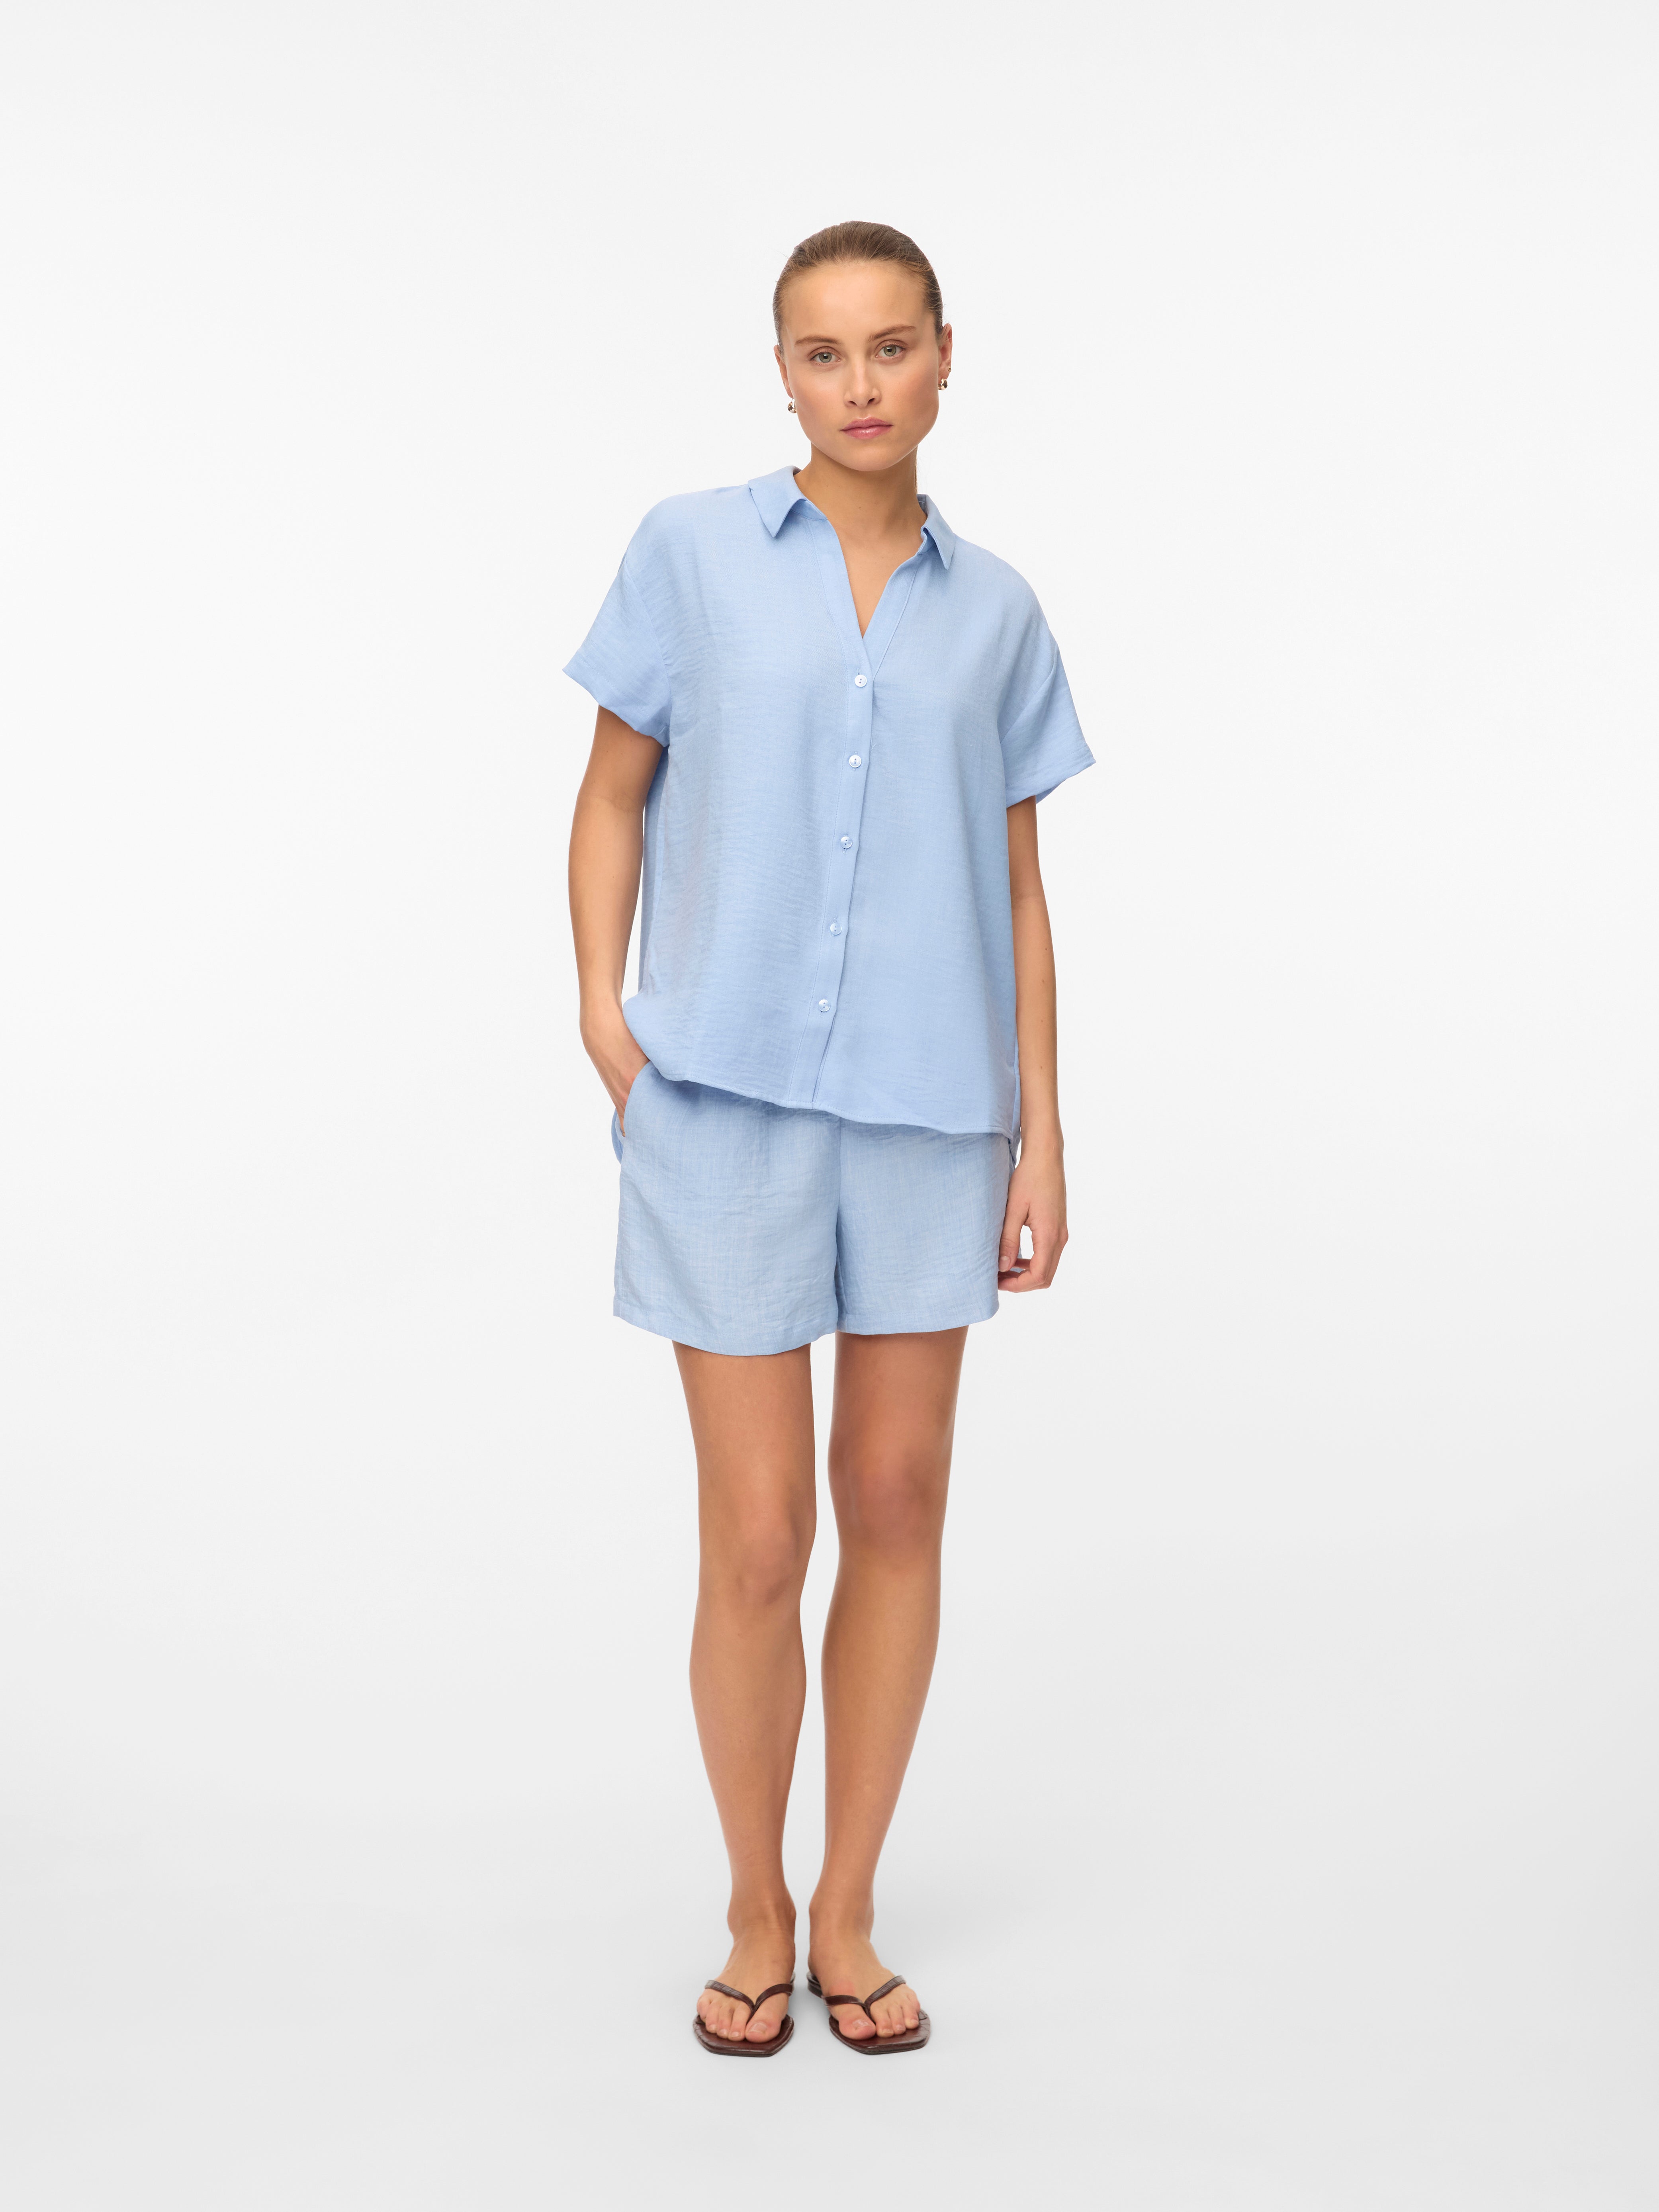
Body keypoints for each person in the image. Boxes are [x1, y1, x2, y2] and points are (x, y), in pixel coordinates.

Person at [565, 220, 1093, 2056]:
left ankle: (850, 1911)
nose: (858, 384)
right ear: (780, 372)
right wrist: (607, 1022)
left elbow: (1015, 891)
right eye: (821, 352)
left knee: (895, 1503)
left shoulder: (997, 611)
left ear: (944, 356)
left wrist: (1039, 1134)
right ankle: (753, 1909)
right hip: (721, 1101)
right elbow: (611, 795)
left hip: (934, 1111)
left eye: (888, 347)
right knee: (760, 1535)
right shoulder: (692, 554)